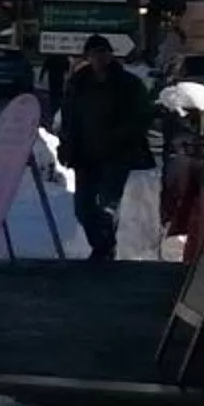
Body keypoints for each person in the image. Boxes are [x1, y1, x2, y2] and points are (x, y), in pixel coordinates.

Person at [56, 33, 156, 264]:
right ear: (88, 57)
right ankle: (101, 245)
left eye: (103, 52)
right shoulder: (79, 83)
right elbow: (69, 118)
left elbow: (143, 116)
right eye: (94, 53)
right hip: (85, 156)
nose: (99, 58)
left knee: (107, 206)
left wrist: (121, 137)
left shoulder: (128, 84)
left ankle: (105, 250)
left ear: (111, 54)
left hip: (116, 156)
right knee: (83, 208)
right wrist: (66, 145)